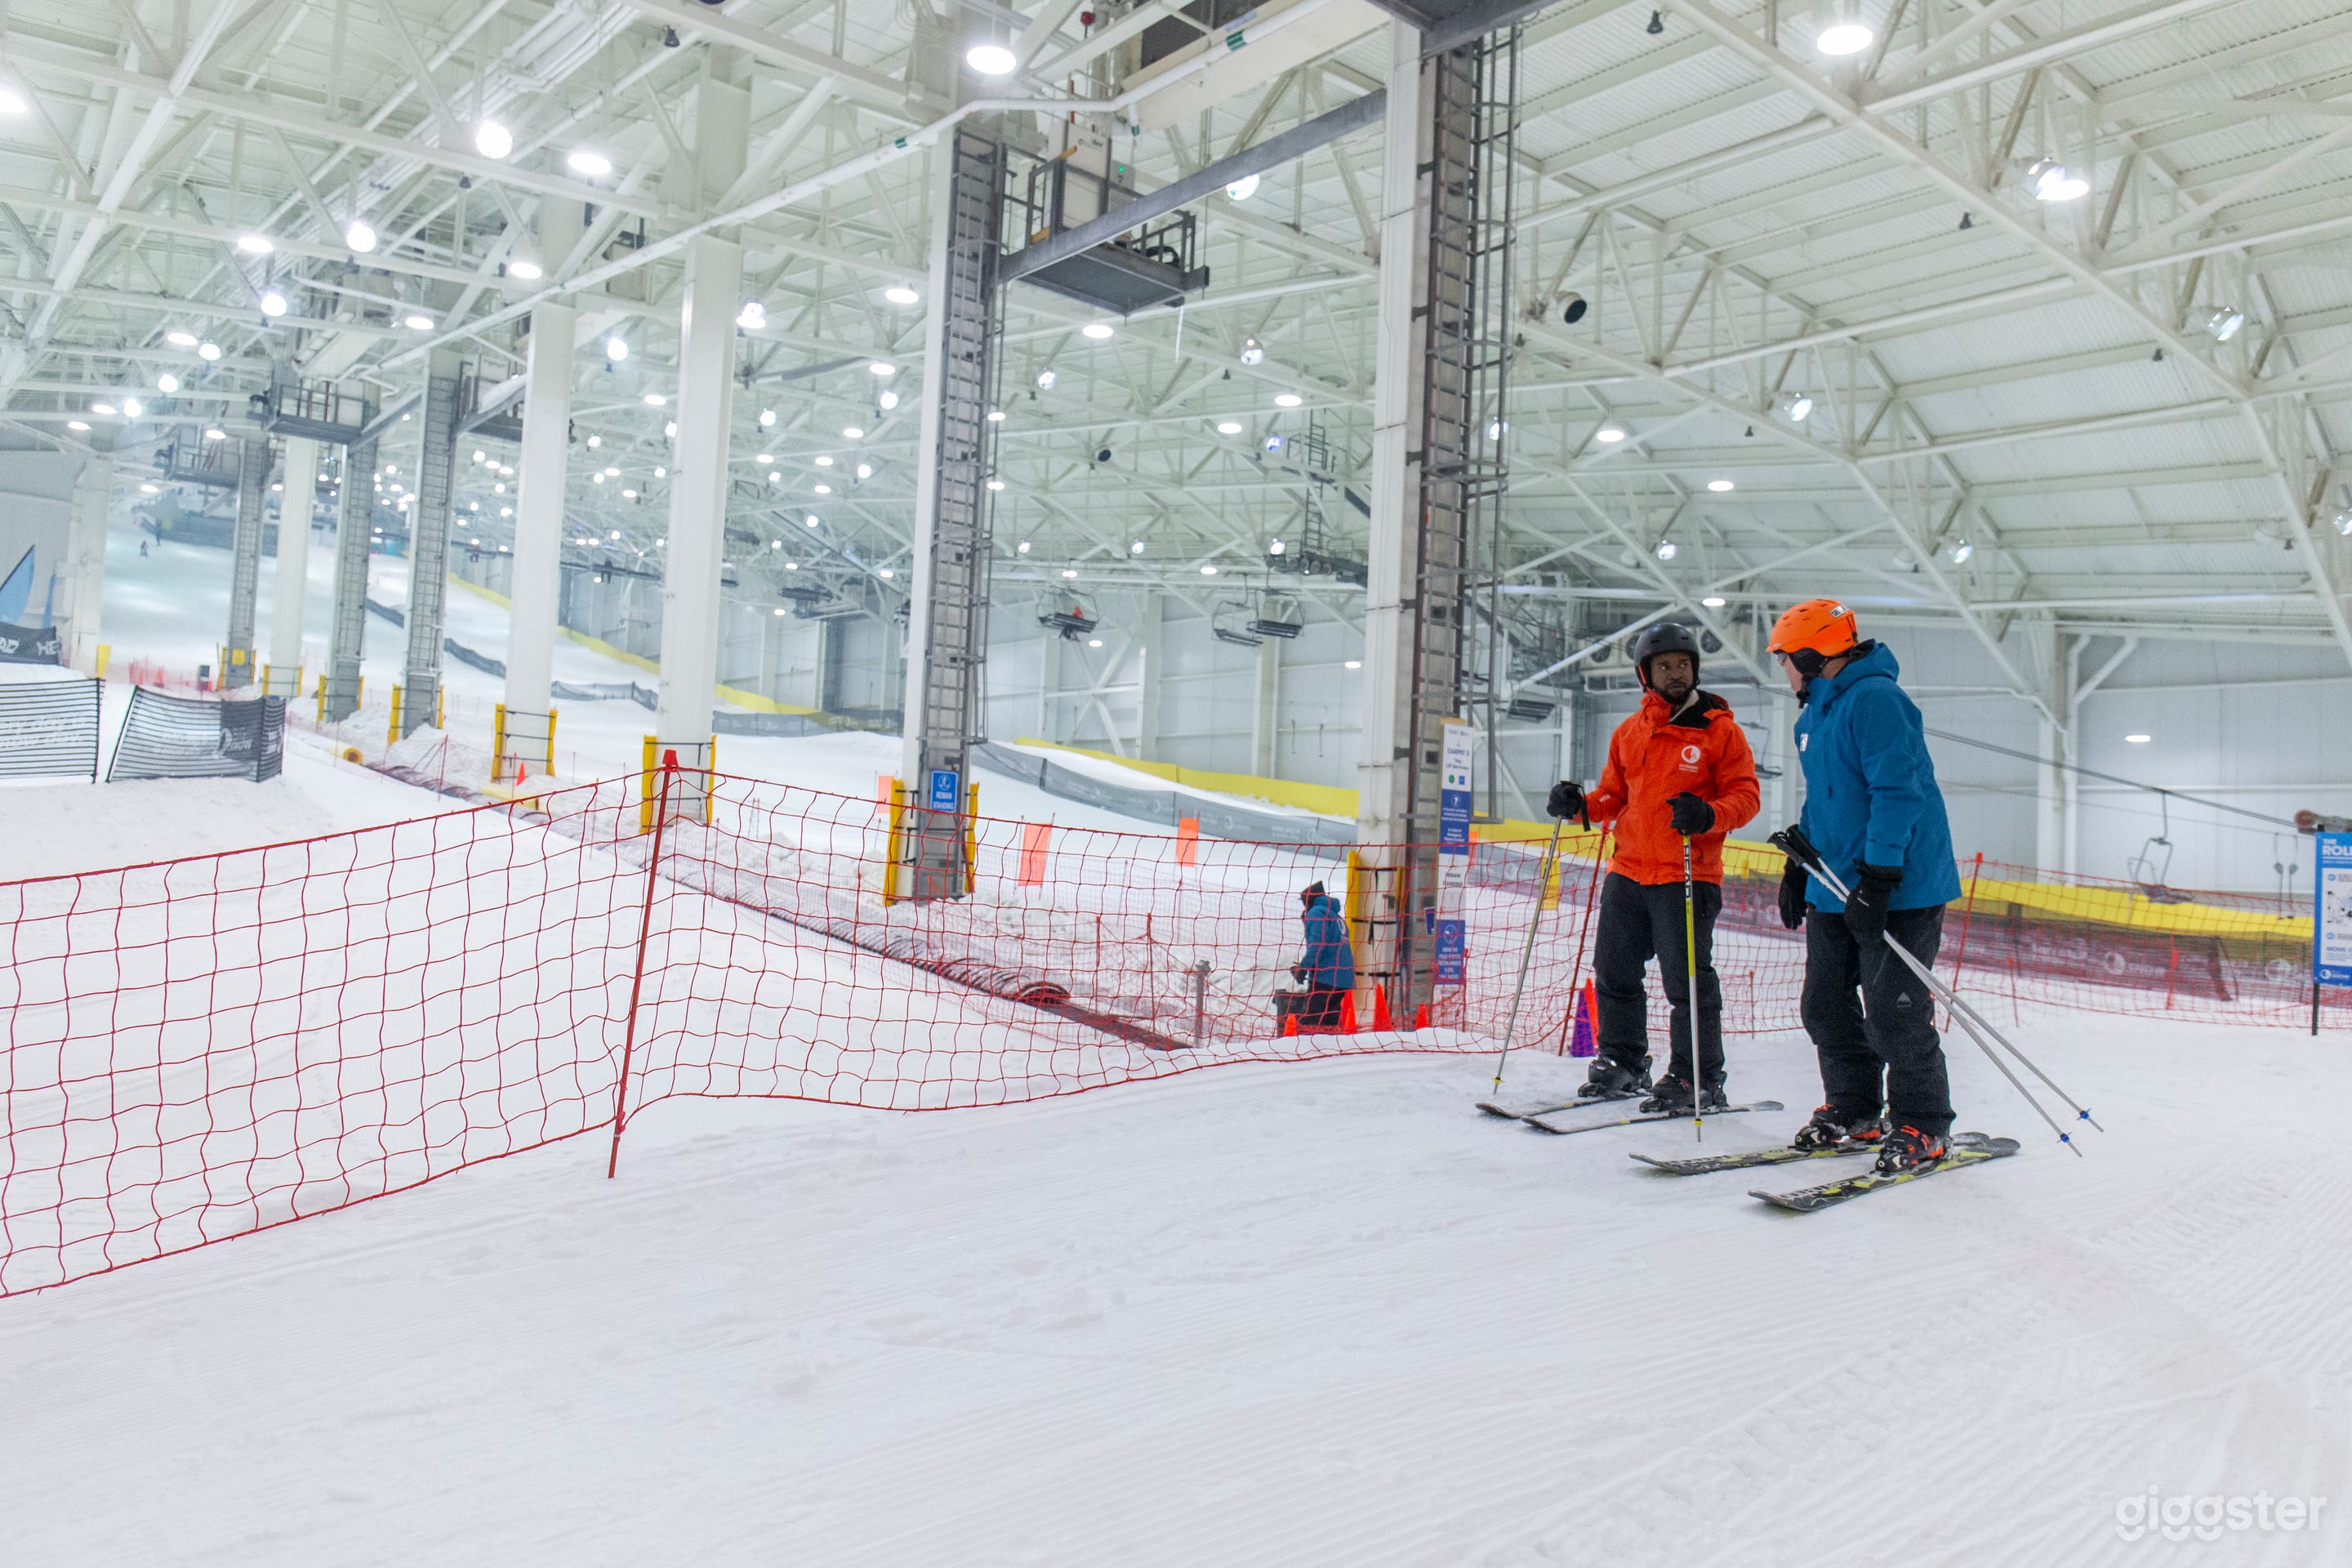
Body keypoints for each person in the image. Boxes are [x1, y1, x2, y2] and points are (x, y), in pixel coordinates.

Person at [1768, 598, 1963, 1174]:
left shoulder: (1877, 700)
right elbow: (1827, 799)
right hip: (1834, 882)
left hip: (1900, 887)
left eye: (1785, 658)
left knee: (1894, 1012)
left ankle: (1922, 1124)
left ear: (1809, 654)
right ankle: (1855, 1110)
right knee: (1825, 1005)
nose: (1784, 670)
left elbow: (1898, 793)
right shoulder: (1815, 717)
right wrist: (1799, 862)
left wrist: (1880, 877)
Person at [1546, 622, 1760, 1112]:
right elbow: (1613, 797)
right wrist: (1579, 805)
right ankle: (1623, 1062)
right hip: (1629, 870)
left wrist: (1708, 815)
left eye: (1683, 665)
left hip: (1686, 874)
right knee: (1615, 971)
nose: (1676, 673)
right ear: (1646, 674)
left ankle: (1697, 1076)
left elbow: (1745, 797)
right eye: (1665, 666)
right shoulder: (1629, 732)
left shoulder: (1719, 731)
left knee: (1685, 982)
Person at [1292, 880, 1355, 1032]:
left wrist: (1303, 968)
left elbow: (1317, 945)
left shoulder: (1317, 913)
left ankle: (1306, 1053)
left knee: (1310, 1022)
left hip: (1326, 977)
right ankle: (1328, 1053)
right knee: (1329, 1023)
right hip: (1344, 977)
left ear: (1309, 900)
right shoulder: (1334, 915)